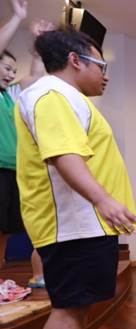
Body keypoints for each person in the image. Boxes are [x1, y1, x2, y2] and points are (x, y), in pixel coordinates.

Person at [16, 28, 136, 329]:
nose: (105, 74)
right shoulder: (52, 95)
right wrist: (103, 199)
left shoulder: (60, 95)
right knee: (67, 308)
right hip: (73, 223)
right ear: (75, 61)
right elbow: (64, 155)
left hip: (85, 223)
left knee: (78, 304)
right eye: (100, 65)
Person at [0, 5, 51, 287]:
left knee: (6, 232)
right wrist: (18, 17)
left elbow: (37, 77)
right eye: (6, 68)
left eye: (13, 70)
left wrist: (38, 46)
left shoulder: (11, 95)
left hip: (12, 171)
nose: (11, 74)